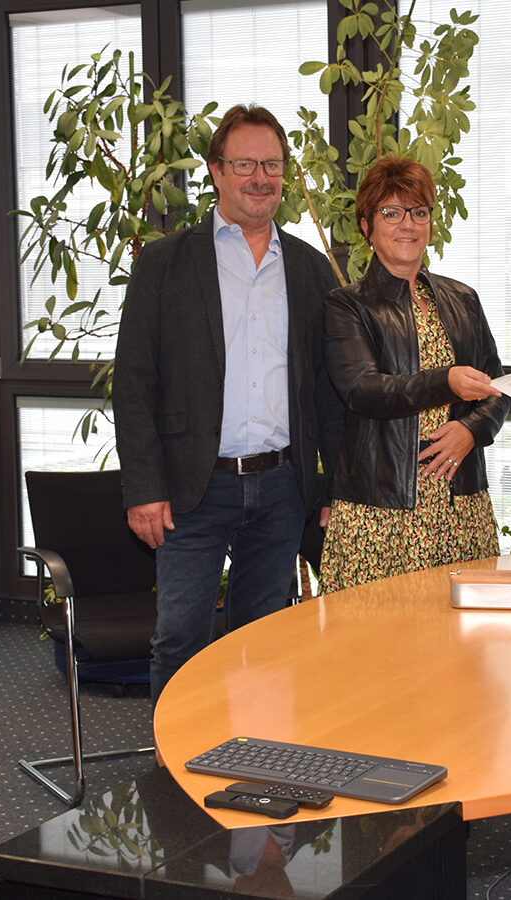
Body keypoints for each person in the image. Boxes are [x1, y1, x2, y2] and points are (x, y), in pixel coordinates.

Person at [112, 104, 343, 701]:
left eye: (272, 165)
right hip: (193, 488)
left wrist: (332, 487)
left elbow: (327, 390)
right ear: (216, 170)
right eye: (245, 164)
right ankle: (175, 758)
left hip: (282, 487)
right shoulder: (164, 262)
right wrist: (143, 488)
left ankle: (251, 749)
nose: (260, 178)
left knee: (263, 640)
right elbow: (134, 381)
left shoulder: (310, 269)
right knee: (179, 642)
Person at [320, 156, 510, 591]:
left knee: (467, 629)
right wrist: (446, 381)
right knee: (375, 631)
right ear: (366, 226)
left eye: (419, 212)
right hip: (380, 512)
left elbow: (498, 388)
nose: (408, 224)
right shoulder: (347, 305)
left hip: (460, 505)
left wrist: (471, 430)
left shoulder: (463, 299)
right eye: (391, 213)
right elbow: (363, 390)